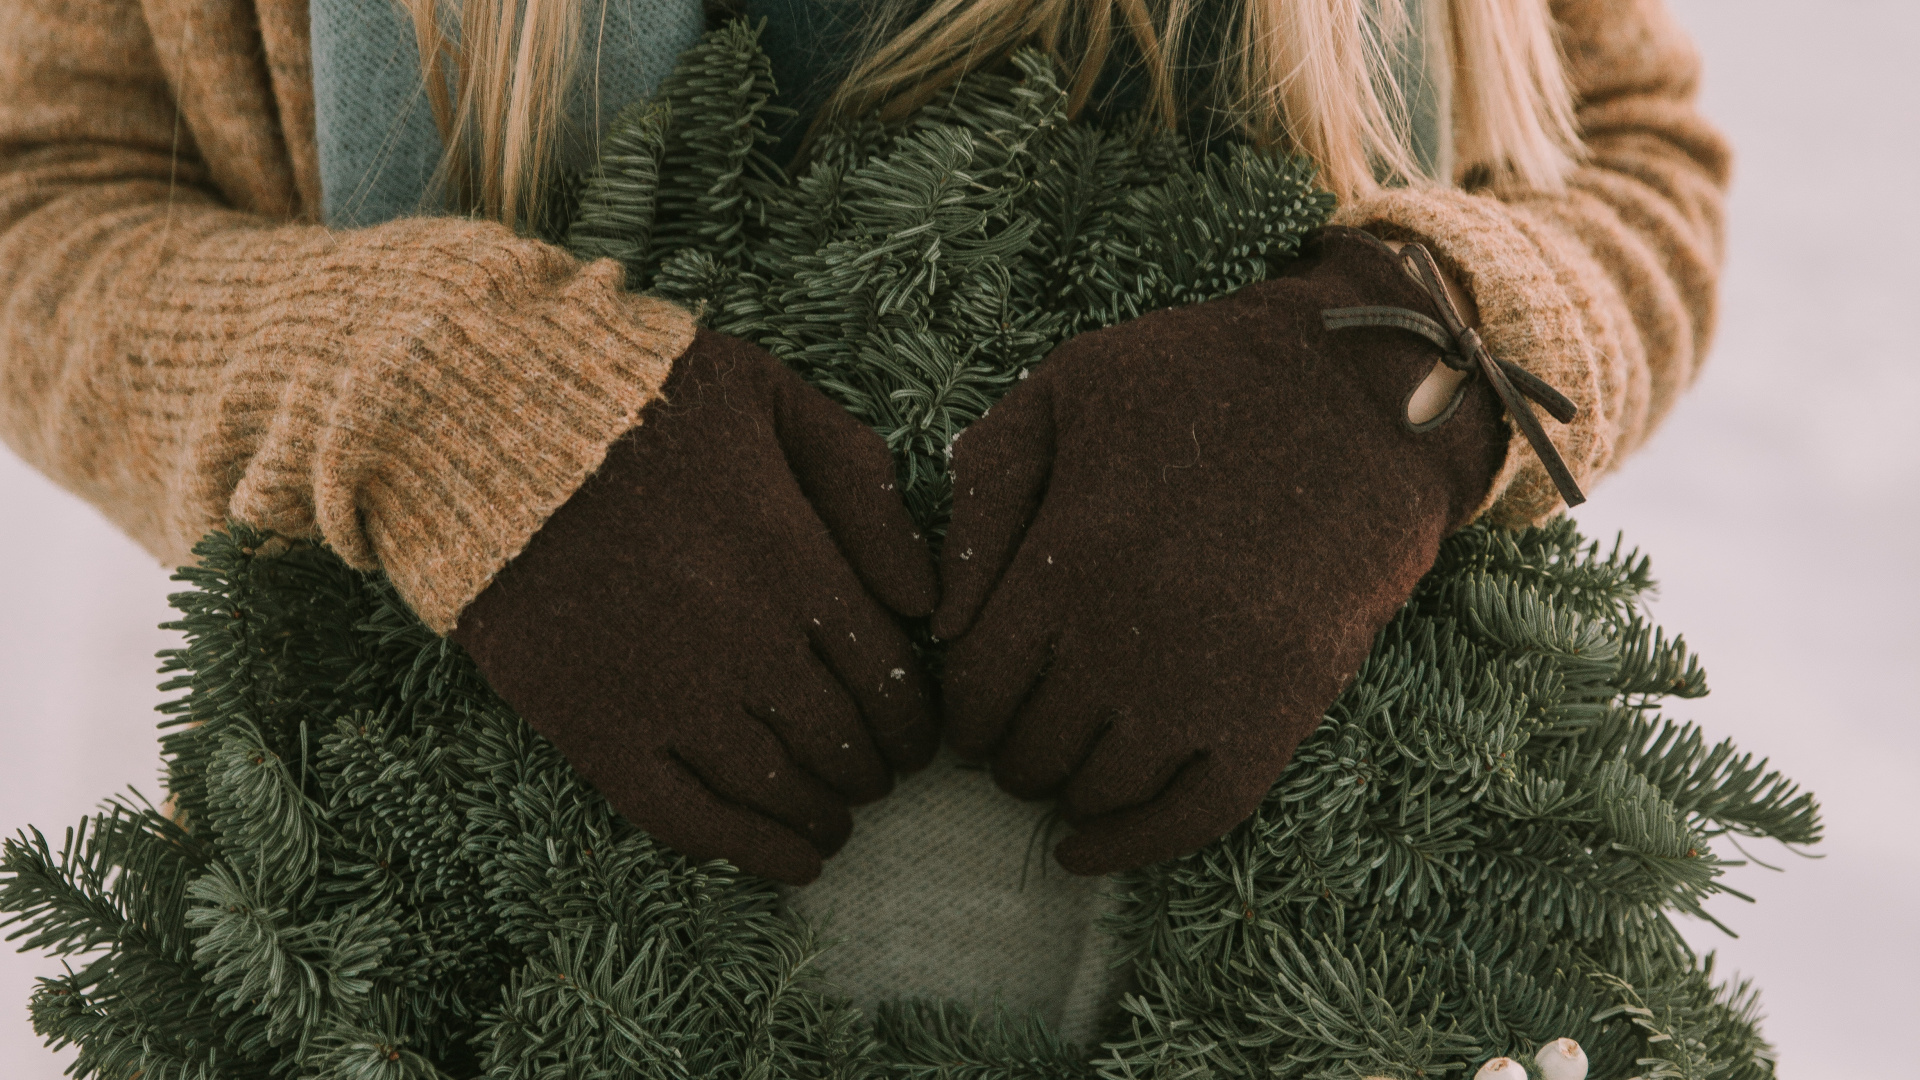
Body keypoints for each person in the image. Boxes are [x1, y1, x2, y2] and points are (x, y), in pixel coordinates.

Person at [0, 0, 1726, 1043]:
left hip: (1350, 983)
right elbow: (42, 193)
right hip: (429, 984)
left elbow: (1636, 154)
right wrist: (412, 385)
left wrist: (1401, 375)